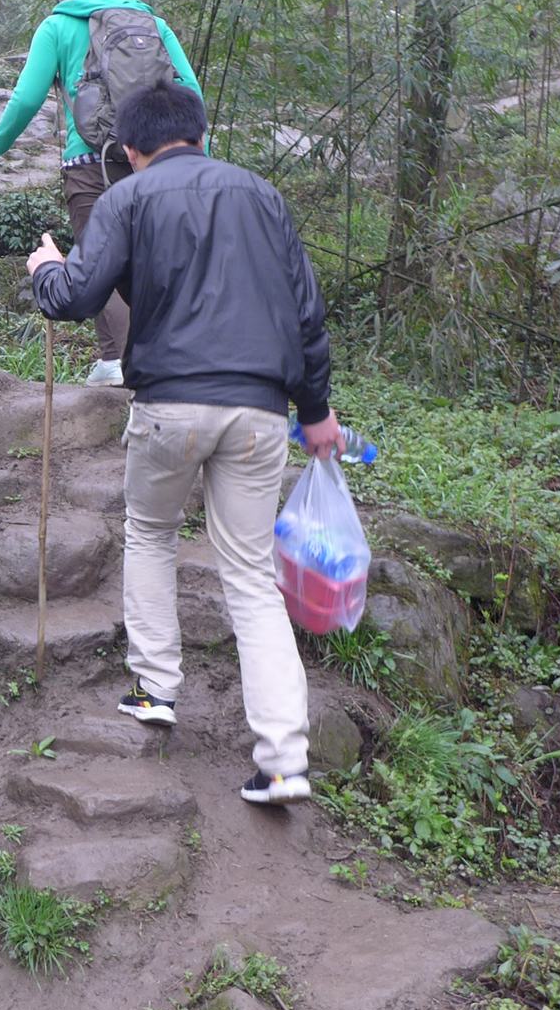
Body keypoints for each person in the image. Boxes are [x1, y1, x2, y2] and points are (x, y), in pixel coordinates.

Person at [26, 80, 338, 807]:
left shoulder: (127, 198)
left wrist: (45, 271)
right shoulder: (262, 195)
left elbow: (76, 296)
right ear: (200, 135)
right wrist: (315, 409)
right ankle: (284, 761)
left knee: (150, 532)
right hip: (260, 409)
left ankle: (156, 687)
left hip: (169, 403)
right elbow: (306, 312)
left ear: (131, 149)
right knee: (251, 575)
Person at [0, 0, 203, 388]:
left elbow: (26, 100)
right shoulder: (150, 21)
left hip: (89, 162)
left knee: (100, 260)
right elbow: (191, 91)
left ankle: (117, 361)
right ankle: (159, 355)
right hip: (153, 160)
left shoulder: (57, 26)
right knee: (153, 257)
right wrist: (200, 161)